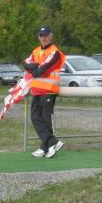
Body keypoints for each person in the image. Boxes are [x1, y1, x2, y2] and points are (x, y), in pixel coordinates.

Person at [24, 26, 66, 158]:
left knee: (45, 118)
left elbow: (41, 70)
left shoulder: (55, 52)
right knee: (35, 117)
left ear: (51, 36)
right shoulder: (35, 51)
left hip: (49, 90)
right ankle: (51, 143)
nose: (43, 38)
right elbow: (25, 64)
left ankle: (46, 146)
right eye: (41, 35)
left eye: (46, 35)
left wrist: (34, 68)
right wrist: (35, 67)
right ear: (38, 37)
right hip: (36, 90)